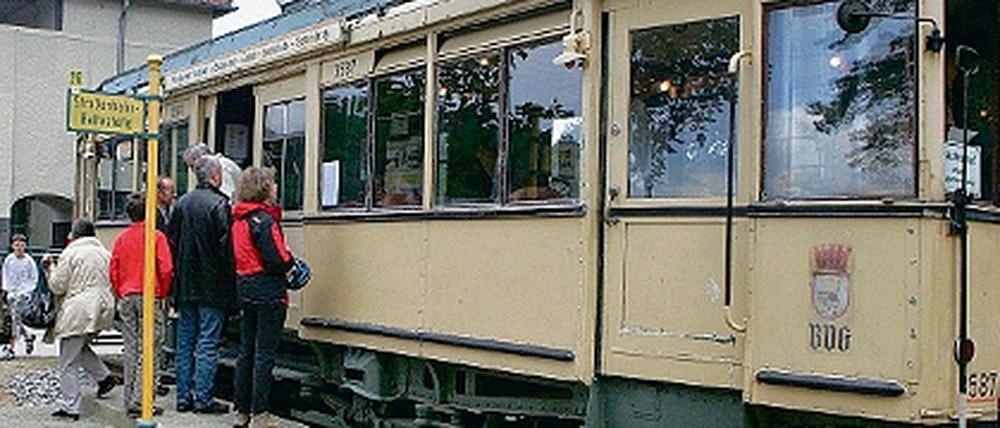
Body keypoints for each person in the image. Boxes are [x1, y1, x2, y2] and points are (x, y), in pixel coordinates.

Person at [168, 156, 234, 414]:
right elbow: (226, 249)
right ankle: (203, 398)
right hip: (212, 286)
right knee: (208, 342)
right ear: (216, 176)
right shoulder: (220, 204)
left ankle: (183, 397)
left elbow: (172, 241)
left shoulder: (181, 204)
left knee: (185, 342)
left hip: (185, 285)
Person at [230, 167, 294, 428]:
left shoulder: (238, 220)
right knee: (265, 354)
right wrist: (292, 263)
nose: (276, 187)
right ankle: (260, 413)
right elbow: (278, 258)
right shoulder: (266, 222)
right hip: (268, 290)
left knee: (246, 351)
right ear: (264, 188)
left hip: (245, 287)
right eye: (273, 183)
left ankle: (241, 410)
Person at [45, 219, 118, 421]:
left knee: (68, 361)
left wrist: (50, 268)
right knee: (80, 346)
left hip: (80, 308)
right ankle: (104, 377)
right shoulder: (105, 253)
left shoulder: (71, 253)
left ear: (75, 234)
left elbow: (58, 286)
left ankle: (71, 407)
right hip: (104, 306)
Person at [110, 193, 172, 417]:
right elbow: (165, 268)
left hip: (126, 295)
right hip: (149, 294)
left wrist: (120, 292)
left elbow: (113, 270)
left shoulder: (121, 239)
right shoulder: (156, 237)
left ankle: (129, 399)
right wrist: (163, 292)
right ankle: (142, 399)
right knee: (150, 349)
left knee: (131, 347)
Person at [1, 234, 37, 358]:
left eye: (21, 245)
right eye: (17, 245)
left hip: (24, 294)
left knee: (15, 317)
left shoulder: (29, 261)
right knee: (14, 318)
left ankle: (11, 347)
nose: (19, 248)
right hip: (12, 293)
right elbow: (5, 276)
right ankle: (28, 336)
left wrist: (26, 291)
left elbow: (33, 279)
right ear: (13, 246)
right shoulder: (9, 260)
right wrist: (7, 290)